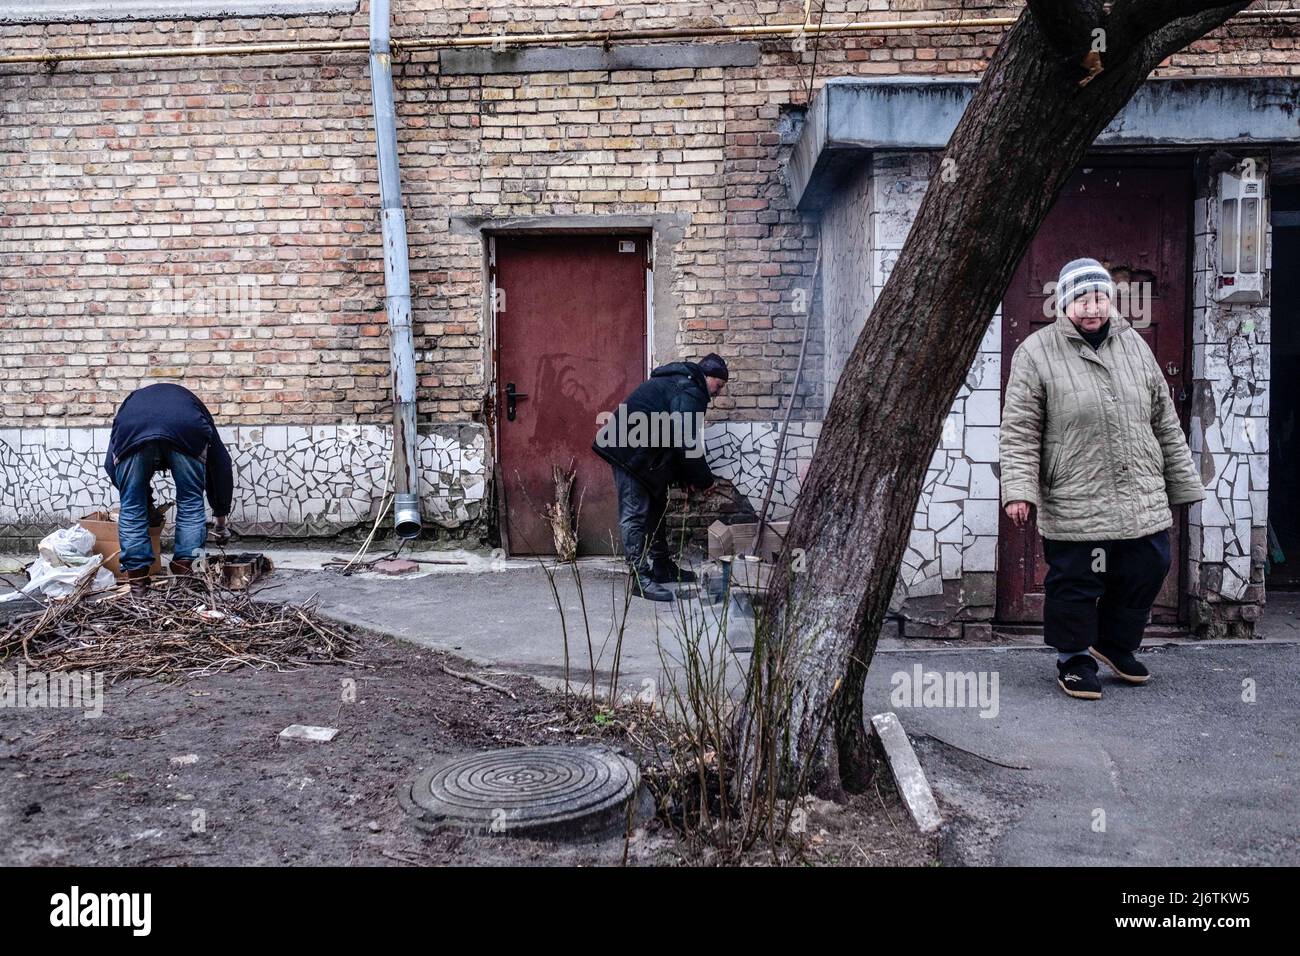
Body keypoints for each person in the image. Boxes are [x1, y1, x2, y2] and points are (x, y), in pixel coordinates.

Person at [999, 258, 1204, 700]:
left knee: (1149, 565)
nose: (1092, 308)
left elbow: (1163, 419)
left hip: (1139, 490)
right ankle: (1073, 657)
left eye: (1100, 298)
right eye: (1081, 299)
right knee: (1077, 578)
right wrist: (1019, 489)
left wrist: (1182, 481)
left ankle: (1114, 643)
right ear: (1063, 303)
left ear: (1112, 301)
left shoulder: (1135, 345)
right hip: (1076, 492)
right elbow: (1019, 428)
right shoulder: (1036, 352)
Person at [592, 353, 728, 601]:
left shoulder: (683, 383)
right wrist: (704, 480)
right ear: (708, 377)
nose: (717, 394)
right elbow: (685, 439)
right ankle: (640, 579)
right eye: (718, 387)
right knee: (635, 513)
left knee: (657, 509)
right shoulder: (690, 390)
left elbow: (673, 436)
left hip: (642, 452)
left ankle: (662, 566)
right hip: (629, 453)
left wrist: (685, 476)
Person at [104, 383, 234, 587]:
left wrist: (141, 501)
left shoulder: (131, 404)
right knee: (191, 502)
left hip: (133, 429)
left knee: (131, 506)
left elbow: (111, 467)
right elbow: (221, 467)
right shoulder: (192, 405)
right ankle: (188, 574)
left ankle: (138, 584)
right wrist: (220, 523)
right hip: (186, 428)